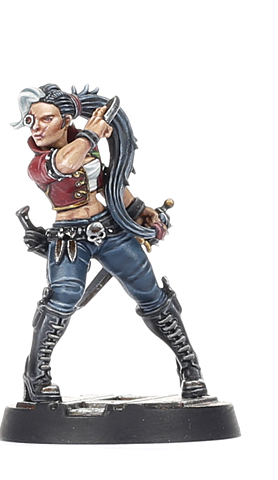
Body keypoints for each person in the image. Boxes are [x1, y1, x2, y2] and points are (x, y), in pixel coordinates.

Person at [12, 83, 208, 403]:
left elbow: (109, 183)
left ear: (65, 120)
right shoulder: (41, 163)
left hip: (109, 228)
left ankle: (189, 366)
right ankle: (37, 376)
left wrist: (141, 212)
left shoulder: (85, 146)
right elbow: (65, 164)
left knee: (151, 293)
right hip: (69, 238)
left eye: (46, 119)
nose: (37, 127)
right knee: (62, 298)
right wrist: (92, 134)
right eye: (32, 120)